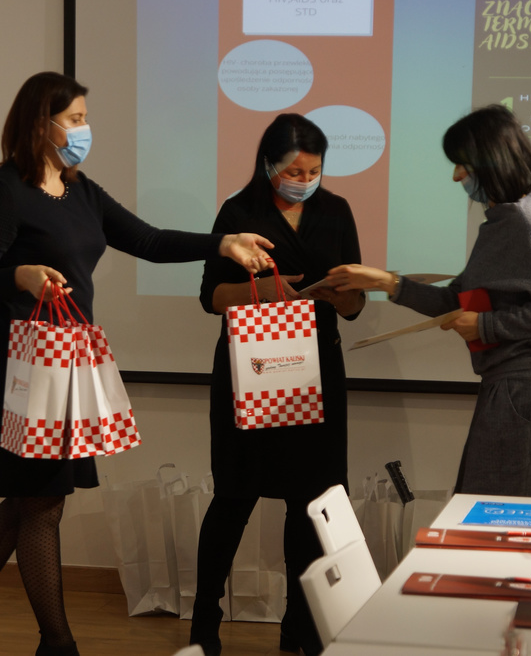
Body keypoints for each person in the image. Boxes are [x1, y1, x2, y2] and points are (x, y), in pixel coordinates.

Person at [0, 71, 273, 656]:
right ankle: (57, 643)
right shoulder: (1, 193)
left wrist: (221, 243)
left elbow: (150, 241)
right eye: (76, 119)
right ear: (41, 123)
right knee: (42, 502)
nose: (85, 129)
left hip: (66, 365)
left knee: (31, 500)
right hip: (16, 367)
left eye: (85, 118)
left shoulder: (81, 191)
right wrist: (19, 274)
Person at [326, 104, 531, 500]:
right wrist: (386, 282)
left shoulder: (521, 222)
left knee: (504, 512)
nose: (456, 176)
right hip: (514, 387)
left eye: (462, 165)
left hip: (527, 390)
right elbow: (455, 299)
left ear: (490, 161)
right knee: (495, 506)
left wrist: (485, 326)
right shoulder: (504, 221)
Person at [190, 114, 365, 656]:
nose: (304, 180)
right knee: (234, 495)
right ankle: (204, 620)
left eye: (313, 170)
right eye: (294, 171)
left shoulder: (336, 210)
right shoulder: (239, 213)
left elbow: (355, 306)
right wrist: (264, 290)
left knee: (309, 502)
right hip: (253, 371)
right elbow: (211, 297)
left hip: (316, 372)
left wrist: (340, 294)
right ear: (269, 164)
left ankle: (300, 624)